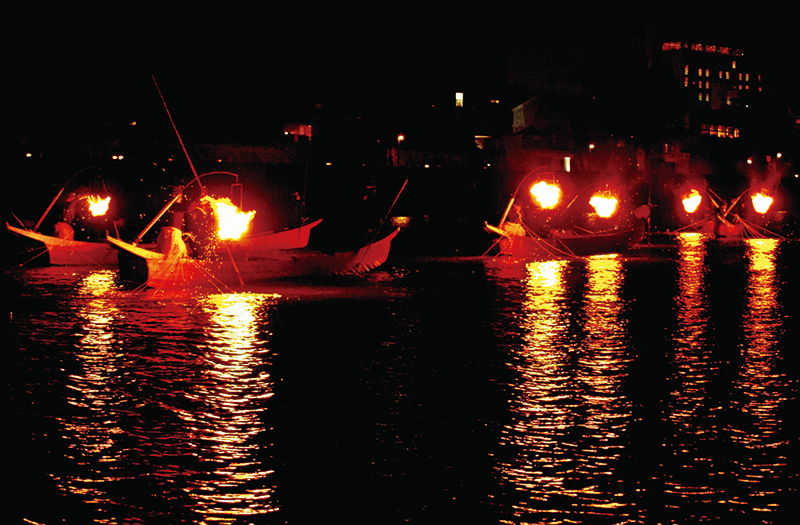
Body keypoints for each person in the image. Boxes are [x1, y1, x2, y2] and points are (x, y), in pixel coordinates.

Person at [155, 188, 204, 257]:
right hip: (170, 233)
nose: (181, 199)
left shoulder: (175, 207)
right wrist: (199, 199)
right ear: (174, 196)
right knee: (175, 253)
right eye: (180, 196)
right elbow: (188, 208)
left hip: (171, 233)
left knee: (177, 252)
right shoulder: (172, 205)